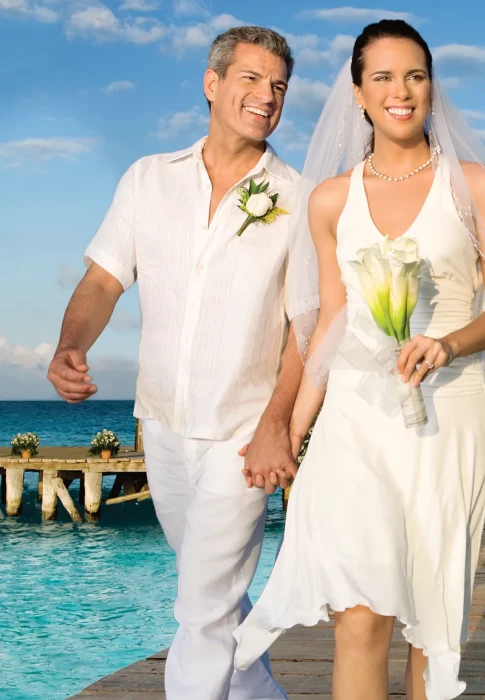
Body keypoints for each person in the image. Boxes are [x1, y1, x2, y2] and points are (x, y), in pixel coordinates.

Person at [231, 19, 485, 700]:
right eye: (384, 77)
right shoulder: (331, 200)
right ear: (358, 93)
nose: (402, 91)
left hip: (445, 419)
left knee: (430, 627)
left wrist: (448, 343)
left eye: (415, 76)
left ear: (431, 88)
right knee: (359, 619)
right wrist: (292, 430)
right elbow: (331, 324)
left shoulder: (476, 185)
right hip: (355, 422)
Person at [46, 26, 298, 700]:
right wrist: (71, 344)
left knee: (201, 609)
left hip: (243, 433)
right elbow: (102, 281)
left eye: (277, 85)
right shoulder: (147, 179)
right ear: (212, 84)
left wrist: (280, 423)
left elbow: (308, 327)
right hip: (159, 423)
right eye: (250, 78)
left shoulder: (299, 199)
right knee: (210, 593)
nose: (266, 95)